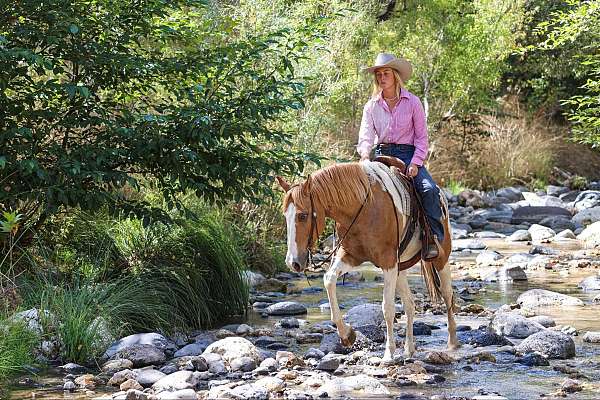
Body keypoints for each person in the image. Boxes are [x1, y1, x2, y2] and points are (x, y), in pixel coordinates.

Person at [357, 52, 443, 259]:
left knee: (429, 190)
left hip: (407, 155)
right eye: (378, 74)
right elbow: (366, 136)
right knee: (356, 191)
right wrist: (364, 156)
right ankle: (356, 242)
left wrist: (415, 163)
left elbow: (422, 138)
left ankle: (432, 238)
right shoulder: (371, 106)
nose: (381, 77)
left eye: (386, 73)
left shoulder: (413, 102)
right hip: (380, 155)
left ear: (396, 75)